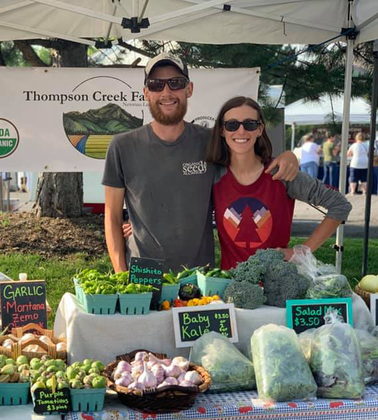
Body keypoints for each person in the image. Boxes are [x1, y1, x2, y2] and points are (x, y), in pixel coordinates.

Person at [102, 53, 299, 273]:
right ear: (146, 93)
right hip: (144, 274)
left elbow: (251, 161)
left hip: (200, 276)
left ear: (189, 89)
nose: (166, 92)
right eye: (156, 85)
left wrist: (289, 156)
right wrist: (120, 273)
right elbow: (112, 216)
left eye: (175, 83)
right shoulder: (122, 146)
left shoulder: (212, 142)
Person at [207, 96, 351, 269]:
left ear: (260, 129)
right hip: (229, 285)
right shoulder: (212, 176)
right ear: (222, 130)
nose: (241, 131)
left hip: (278, 283)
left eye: (250, 124)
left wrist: (302, 252)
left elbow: (340, 204)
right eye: (232, 124)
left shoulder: (281, 172)